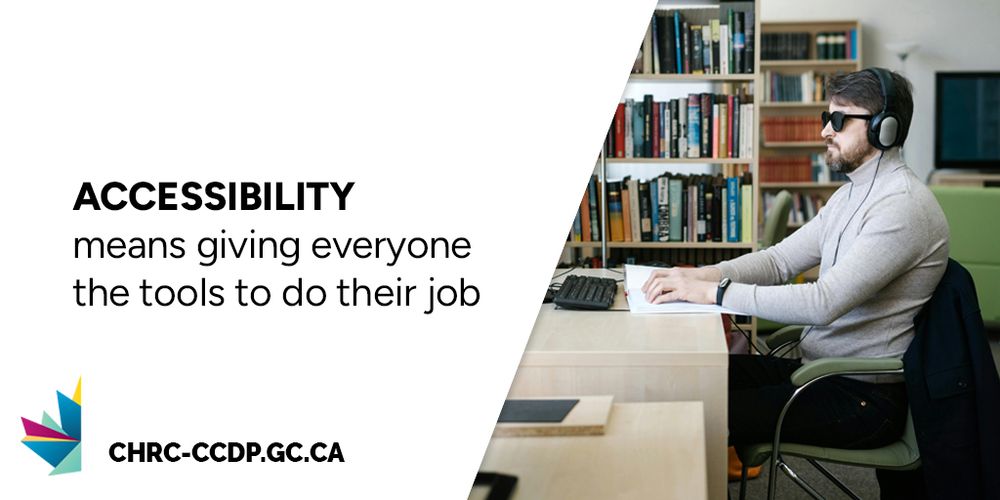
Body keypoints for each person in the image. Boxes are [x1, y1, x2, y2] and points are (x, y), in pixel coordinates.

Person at [640, 68, 949, 454]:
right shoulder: (852, 194)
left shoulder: (902, 205)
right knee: (685, 380)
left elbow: (823, 303)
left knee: (695, 412)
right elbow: (779, 260)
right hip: (819, 373)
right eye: (826, 118)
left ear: (884, 129)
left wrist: (712, 293)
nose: (824, 131)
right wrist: (698, 275)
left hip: (862, 398)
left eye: (838, 120)